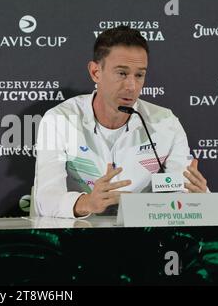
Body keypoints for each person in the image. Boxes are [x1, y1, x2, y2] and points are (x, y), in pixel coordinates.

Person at [33, 25, 208, 218]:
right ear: (95, 72)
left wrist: (197, 198)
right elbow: (46, 199)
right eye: (122, 73)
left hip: (146, 238)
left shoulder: (165, 123)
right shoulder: (59, 120)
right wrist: (88, 202)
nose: (132, 86)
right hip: (77, 237)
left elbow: (181, 194)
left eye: (139, 75)